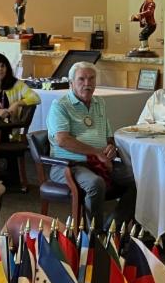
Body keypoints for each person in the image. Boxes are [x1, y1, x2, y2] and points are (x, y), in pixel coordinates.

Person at [48, 61, 137, 229]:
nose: (87, 84)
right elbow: (62, 140)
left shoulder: (99, 103)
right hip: (68, 165)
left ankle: (113, 228)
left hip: (100, 161)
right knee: (95, 183)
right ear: (71, 83)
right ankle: (93, 235)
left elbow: (108, 137)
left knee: (139, 179)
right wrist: (96, 153)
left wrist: (111, 147)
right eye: (81, 79)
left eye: (91, 78)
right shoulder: (60, 105)